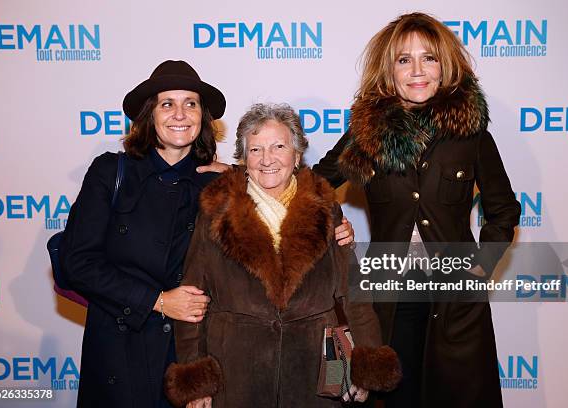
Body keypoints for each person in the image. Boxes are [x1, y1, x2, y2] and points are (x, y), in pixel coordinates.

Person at [312, 13, 521, 408]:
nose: (417, 71)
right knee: (394, 396)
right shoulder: (367, 134)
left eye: (428, 58)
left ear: (445, 67)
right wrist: (243, 174)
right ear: (389, 71)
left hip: (456, 300)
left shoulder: (470, 133)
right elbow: (313, 186)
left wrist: (479, 269)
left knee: (456, 396)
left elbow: (504, 210)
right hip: (389, 299)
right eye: (403, 60)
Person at [163, 103, 401, 408]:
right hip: (235, 375)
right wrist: (196, 382)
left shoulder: (325, 208)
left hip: (314, 374)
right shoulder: (216, 210)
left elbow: (354, 296)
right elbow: (193, 299)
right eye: (255, 149)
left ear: (297, 155)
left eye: (278, 146)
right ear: (243, 158)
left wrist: (366, 366)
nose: (267, 159)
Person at [59, 60, 226, 407]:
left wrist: (336, 226)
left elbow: (284, 185)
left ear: (202, 117)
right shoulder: (111, 171)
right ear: (150, 114)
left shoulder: (219, 184)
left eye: (190, 103)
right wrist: (158, 300)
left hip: (183, 357)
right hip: (119, 352)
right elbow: (77, 262)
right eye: (168, 103)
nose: (180, 114)